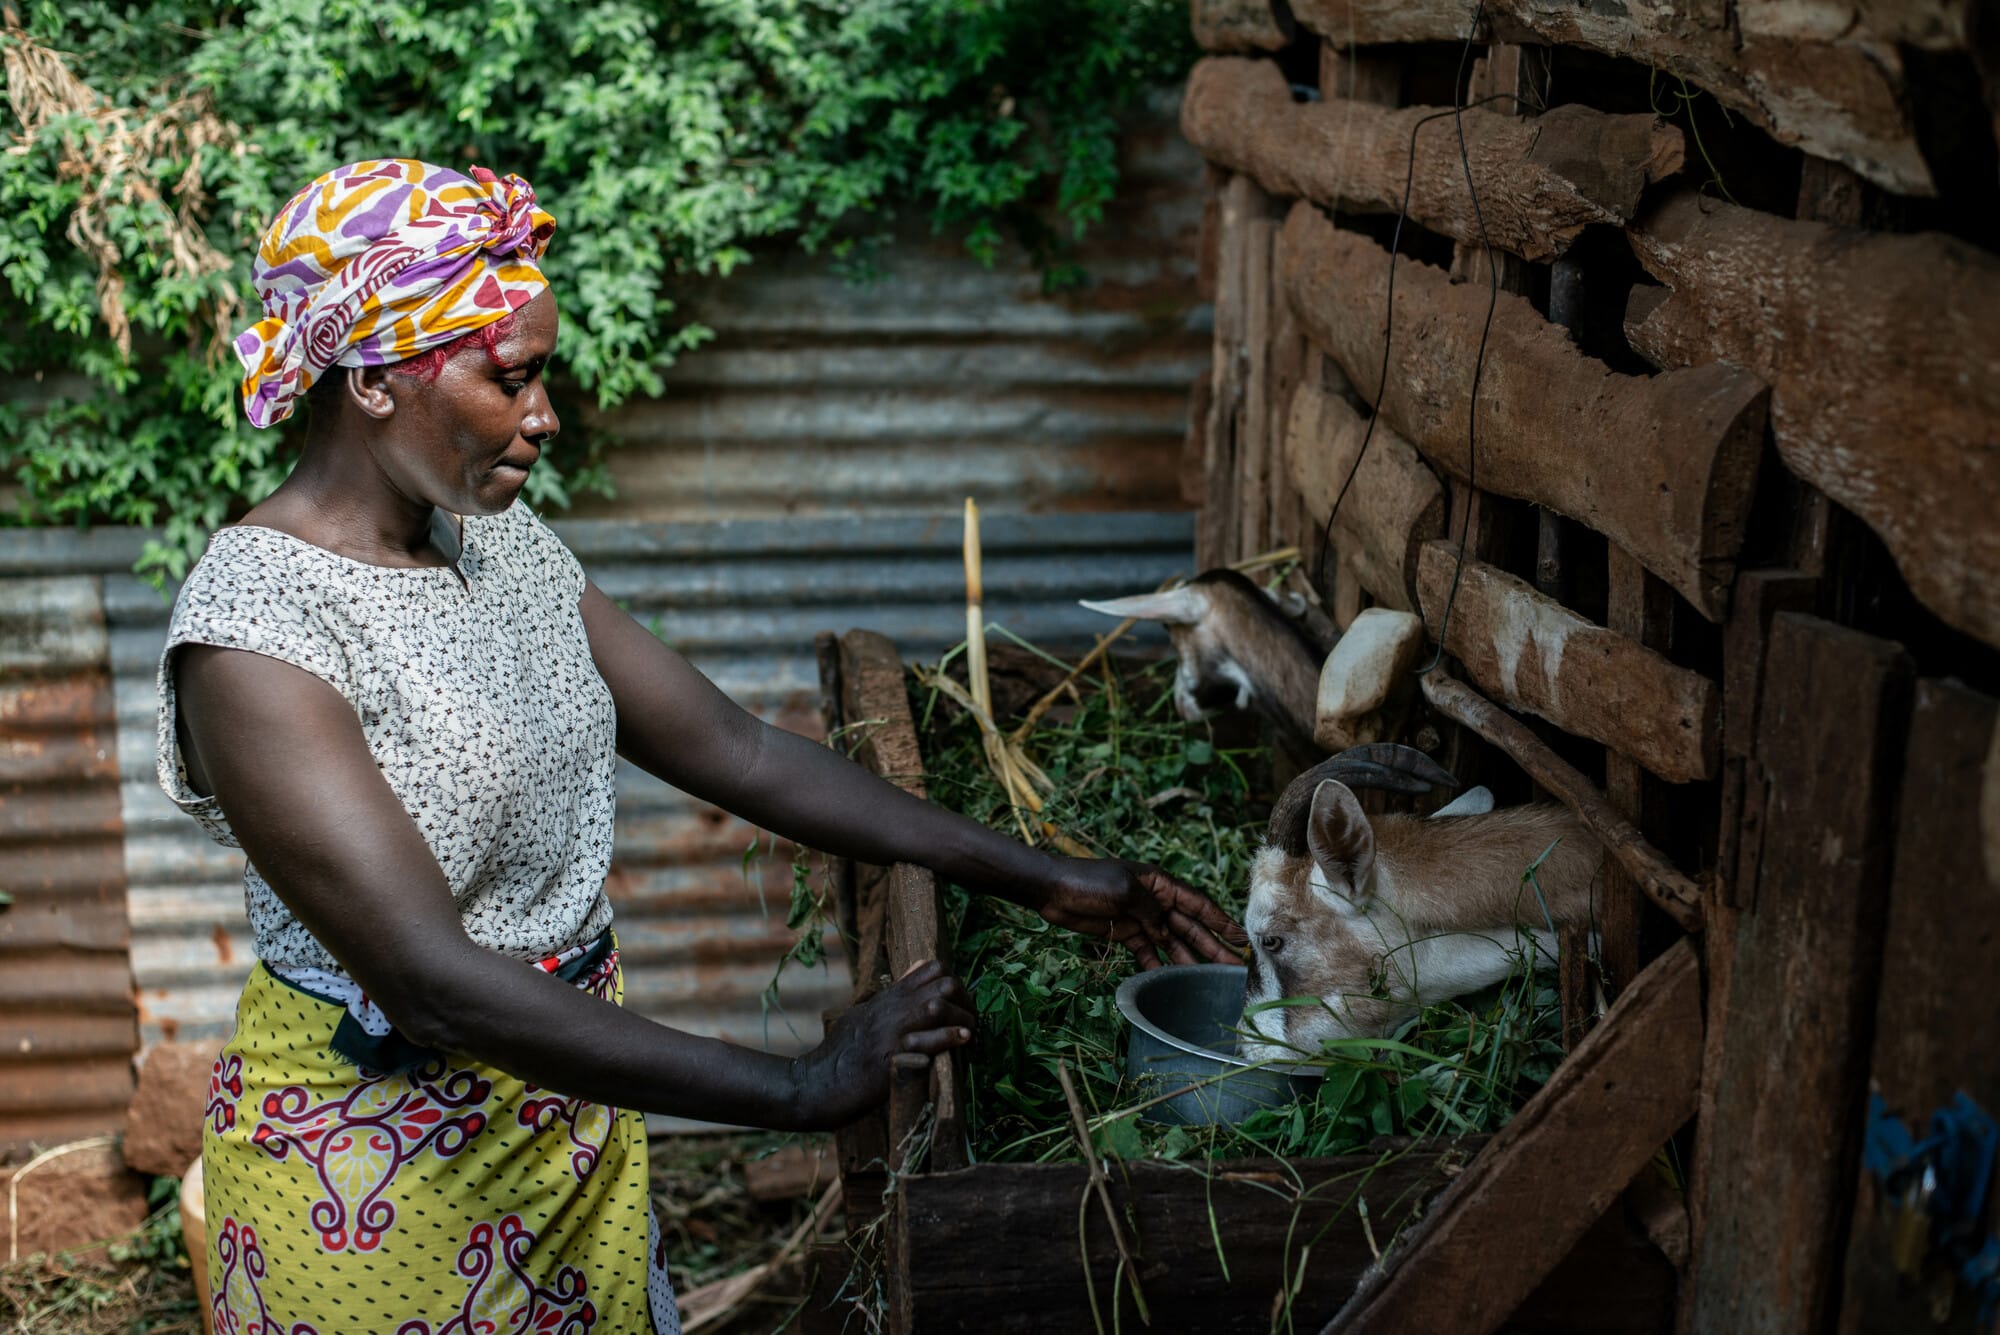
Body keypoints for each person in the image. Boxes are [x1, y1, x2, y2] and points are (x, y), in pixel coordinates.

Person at [159, 159, 1243, 1335]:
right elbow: (429, 983)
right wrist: (797, 1090)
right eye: (507, 377)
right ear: (372, 380)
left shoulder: (499, 550)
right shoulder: (257, 631)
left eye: (544, 375)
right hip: (370, 1189)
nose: (543, 417)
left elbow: (737, 751)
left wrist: (1047, 876)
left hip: (565, 1146)